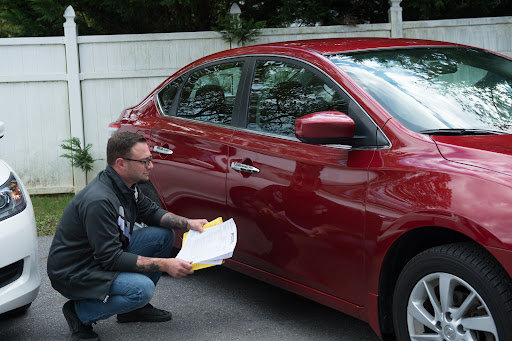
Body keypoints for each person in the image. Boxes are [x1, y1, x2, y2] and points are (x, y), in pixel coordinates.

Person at [47, 132, 208, 341]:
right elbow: (111, 258)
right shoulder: (99, 200)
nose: (151, 166)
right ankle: (79, 313)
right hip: (75, 273)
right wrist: (166, 264)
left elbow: (150, 212)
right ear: (121, 164)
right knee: (141, 289)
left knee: (162, 235)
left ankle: (132, 310)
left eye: (150, 159)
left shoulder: (127, 187)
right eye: (144, 161)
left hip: (101, 257)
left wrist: (188, 223)